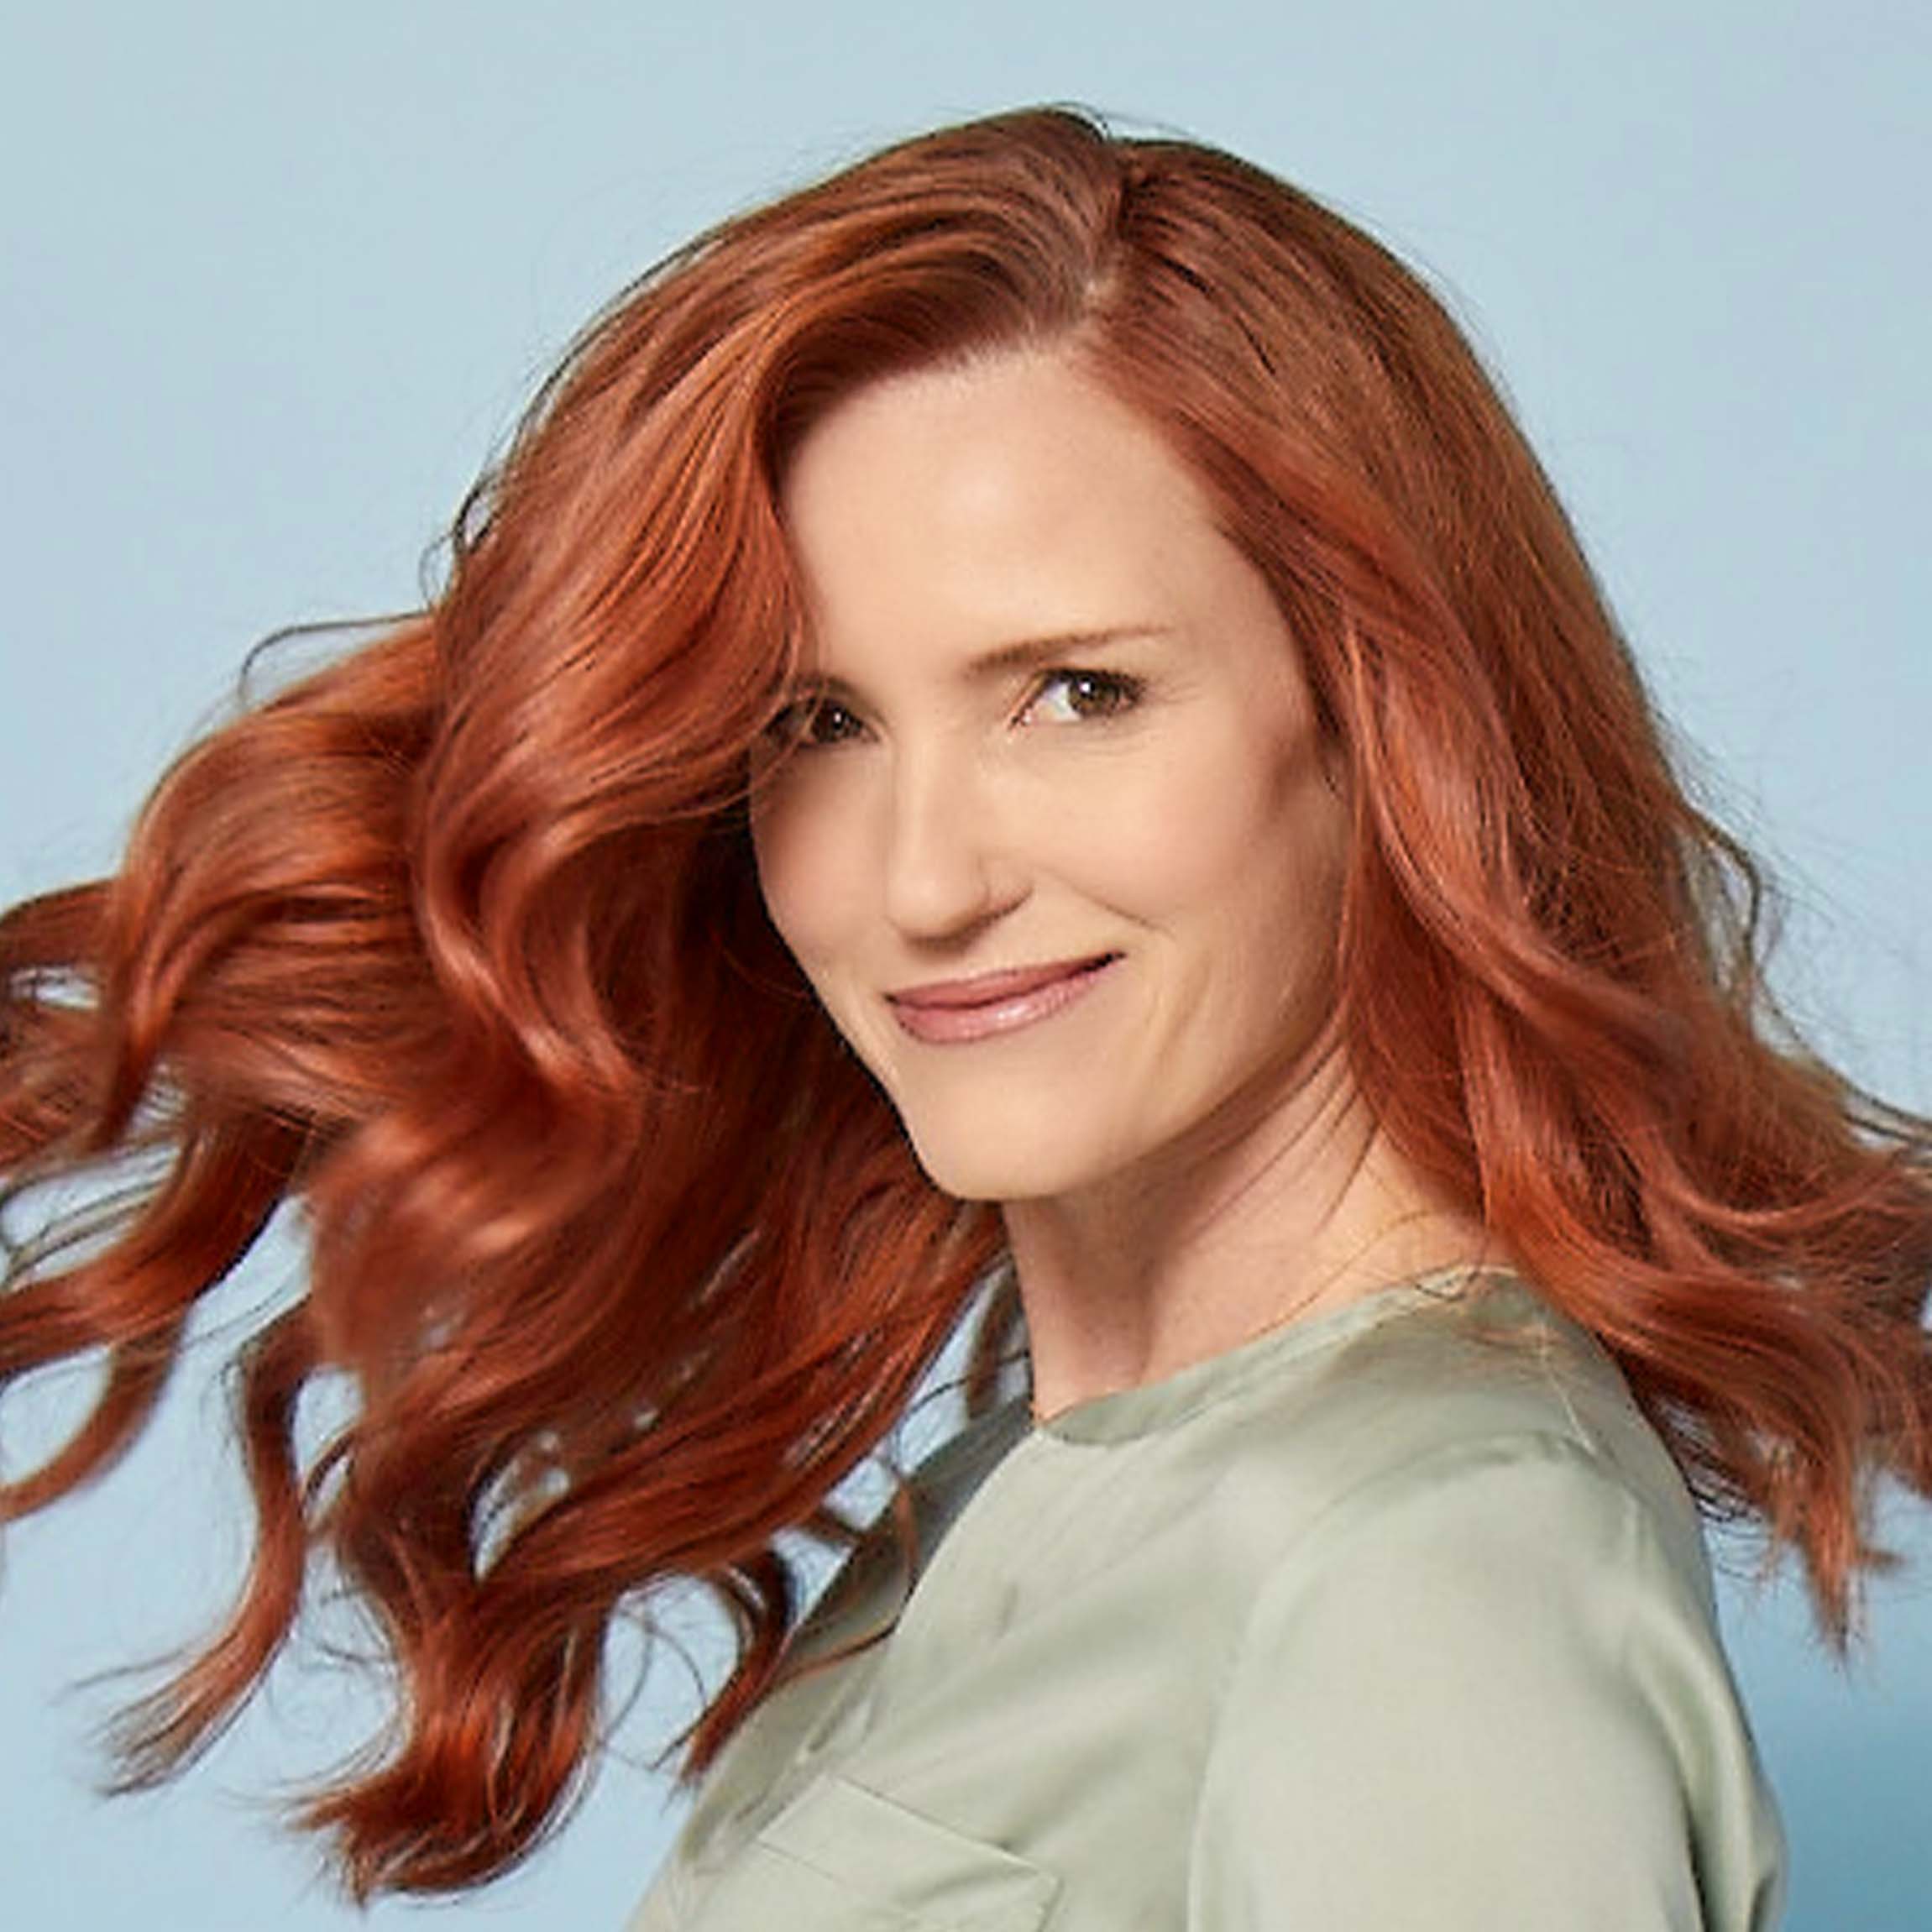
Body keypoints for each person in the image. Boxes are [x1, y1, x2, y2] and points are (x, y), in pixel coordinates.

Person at [1, 103, 1926, 1931]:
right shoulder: (1017, 1481)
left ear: (1387, 730)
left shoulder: (1421, 1563)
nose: (918, 880)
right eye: (814, 723)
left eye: (1075, 691)